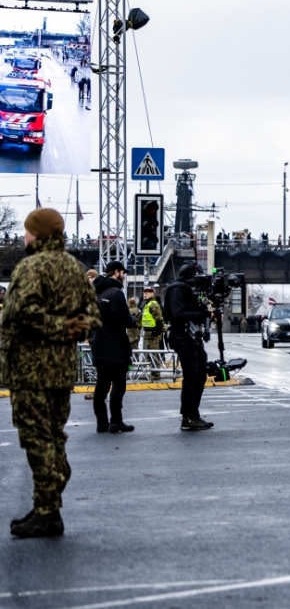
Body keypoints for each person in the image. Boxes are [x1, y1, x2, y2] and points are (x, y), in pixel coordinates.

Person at [0, 208, 99, 538]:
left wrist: (57, 326)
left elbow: (19, 312)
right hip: (62, 369)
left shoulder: (30, 267)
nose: (24, 236)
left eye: (27, 230)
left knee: (36, 438)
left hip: (31, 369)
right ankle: (49, 502)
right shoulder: (75, 267)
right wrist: (73, 327)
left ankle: (47, 508)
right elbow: (93, 316)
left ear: (38, 234)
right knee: (54, 436)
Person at [163, 263, 213, 431]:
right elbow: (178, 314)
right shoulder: (178, 289)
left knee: (200, 376)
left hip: (192, 338)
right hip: (182, 338)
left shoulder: (188, 290)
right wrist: (202, 314)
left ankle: (194, 414)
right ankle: (188, 417)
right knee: (192, 377)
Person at [90, 261, 135, 434]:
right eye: (123, 272)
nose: (124, 276)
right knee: (118, 385)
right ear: (116, 272)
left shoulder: (95, 293)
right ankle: (116, 422)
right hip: (115, 346)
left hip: (98, 345)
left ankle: (102, 424)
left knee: (101, 386)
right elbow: (122, 320)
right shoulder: (116, 293)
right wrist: (132, 320)